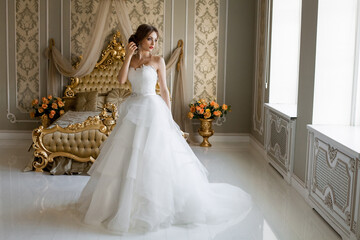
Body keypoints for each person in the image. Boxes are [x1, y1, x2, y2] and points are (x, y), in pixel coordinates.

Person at [76, 24, 252, 234]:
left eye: (155, 40)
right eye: (150, 39)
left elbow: (165, 90)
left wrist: (168, 117)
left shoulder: (157, 61)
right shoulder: (131, 60)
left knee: (156, 157)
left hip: (153, 109)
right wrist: (126, 57)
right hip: (133, 109)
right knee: (129, 158)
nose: (153, 43)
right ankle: (122, 204)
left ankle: (158, 204)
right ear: (140, 39)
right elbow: (121, 80)